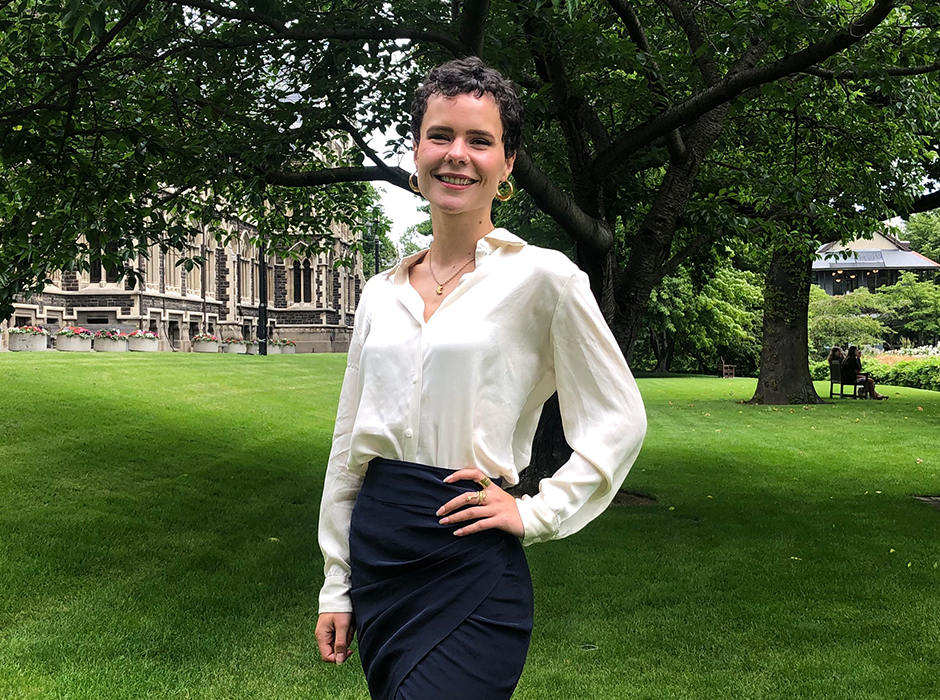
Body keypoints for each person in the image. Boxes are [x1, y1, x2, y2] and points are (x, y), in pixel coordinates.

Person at [315, 57, 647, 700]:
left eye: (479, 140)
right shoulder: (379, 293)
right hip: (382, 551)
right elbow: (348, 442)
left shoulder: (544, 279)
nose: (456, 155)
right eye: (440, 136)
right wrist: (338, 581)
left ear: (508, 164)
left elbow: (619, 416)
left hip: (470, 549)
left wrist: (537, 511)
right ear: (415, 153)